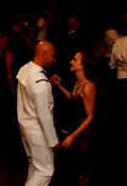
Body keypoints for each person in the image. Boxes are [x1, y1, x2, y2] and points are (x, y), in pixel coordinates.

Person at [50, 51, 98, 186]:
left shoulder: (88, 87)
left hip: (84, 137)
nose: (71, 61)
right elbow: (74, 99)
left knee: (81, 175)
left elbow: (90, 117)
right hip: (75, 132)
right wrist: (59, 86)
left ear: (83, 65)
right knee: (70, 173)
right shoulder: (78, 82)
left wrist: (73, 137)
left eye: (75, 60)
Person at [16, 41, 59, 186]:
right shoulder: (39, 80)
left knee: (35, 167)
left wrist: (48, 84)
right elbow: (43, 115)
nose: (54, 59)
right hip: (37, 131)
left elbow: (30, 94)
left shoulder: (26, 69)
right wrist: (54, 141)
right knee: (45, 171)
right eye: (52, 56)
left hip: (25, 127)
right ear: (43, 54)